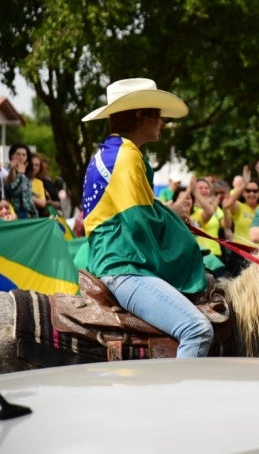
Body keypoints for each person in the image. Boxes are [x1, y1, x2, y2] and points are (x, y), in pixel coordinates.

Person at [80, 77, 212, 357]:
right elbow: (142, 223)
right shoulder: (127, 157)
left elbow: (141, 210)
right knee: (197, 330)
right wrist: (176, 218)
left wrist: (169, 212)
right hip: (125, 267)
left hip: (113, 261)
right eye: (158, 115)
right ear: (141, 114)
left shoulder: (110, 152)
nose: (162, 122)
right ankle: (177, 401)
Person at [4, 143, 38, 219]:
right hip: (14, 212)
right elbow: (13, 190)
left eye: (24, 155)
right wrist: (20, 174)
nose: (21, 157)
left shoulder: (27, 173)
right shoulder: (6, 171)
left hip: (29, 212)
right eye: (18, 154)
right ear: (12, 155)